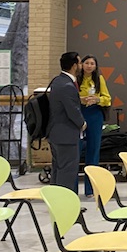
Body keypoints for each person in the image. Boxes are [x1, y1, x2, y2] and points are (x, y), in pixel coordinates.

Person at [47, 51, 86, 193]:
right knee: (67, 173)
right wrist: (82, 123)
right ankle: (65, 205)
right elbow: (72, 110)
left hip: (56, 134)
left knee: (58, 169)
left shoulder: (58, 81)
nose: (81, 66)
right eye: (80, 63)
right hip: (66, 135)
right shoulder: (67, 86)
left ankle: (57, 201)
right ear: (75, 65)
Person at [77, 55, 111, 198]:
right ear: (81, 65)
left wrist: (97, 99)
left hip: (94, 114)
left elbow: (107, 99)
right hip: (79, 112)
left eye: (92, 63)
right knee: (76, 149)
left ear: (96, 66)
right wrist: (82, 99)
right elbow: (70, 97)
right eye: (86, 63)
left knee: (93, 150)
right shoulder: (76, 79)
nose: (89, 66)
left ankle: (90, 189)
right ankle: (72, 188)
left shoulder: (99, 79)